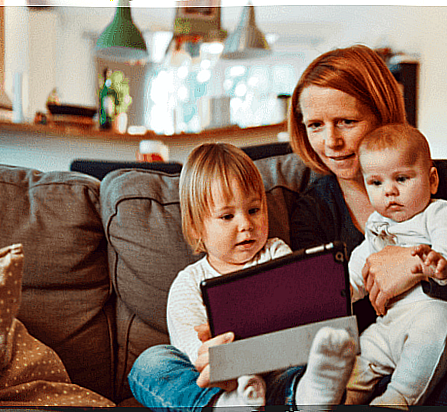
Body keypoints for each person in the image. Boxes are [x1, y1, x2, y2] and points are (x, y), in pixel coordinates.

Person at [287, 44, 447, 405]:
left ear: (382, 115)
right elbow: (319, 311)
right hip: (396, 363)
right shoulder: (313, 211)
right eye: (315, 125)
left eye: (346, 122)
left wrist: (418, 265)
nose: (331, 141)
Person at [128, 142, 357, 410]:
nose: (245, 224)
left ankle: (310, 395)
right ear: (196, 228)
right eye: (227, 216)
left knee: (312, 355)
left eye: (253, 210)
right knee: (151, 362)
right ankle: (223, 405)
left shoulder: (276, 253)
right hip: (221, 382)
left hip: (277, 371)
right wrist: (218, 361)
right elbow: (194, 354)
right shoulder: (187, 283)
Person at [343, 123, 447, 407]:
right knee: (366, 347)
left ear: (431, 180)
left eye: (401, 178)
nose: (390, 192)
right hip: (394, 323)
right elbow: (364, 262)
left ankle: (397, 398)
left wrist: (442, 260)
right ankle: (342, 395)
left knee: (430, 328)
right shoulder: (377, 226)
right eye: (376, 183)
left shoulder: (436, 212)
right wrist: (346, 289)